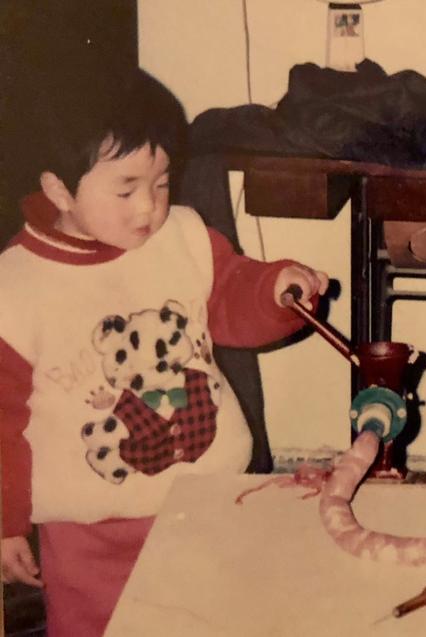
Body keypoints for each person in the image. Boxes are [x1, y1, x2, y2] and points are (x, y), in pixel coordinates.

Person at [0, 68, 329, 636]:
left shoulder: (181, 236)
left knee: (212, 620)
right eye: (125, 189)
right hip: (90, 539)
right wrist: (5, 523)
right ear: (58, 189)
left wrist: (274, 288)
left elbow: (230, 293)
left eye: (161, 182)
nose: (149, 208)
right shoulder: (17, 286)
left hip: (206, 504)